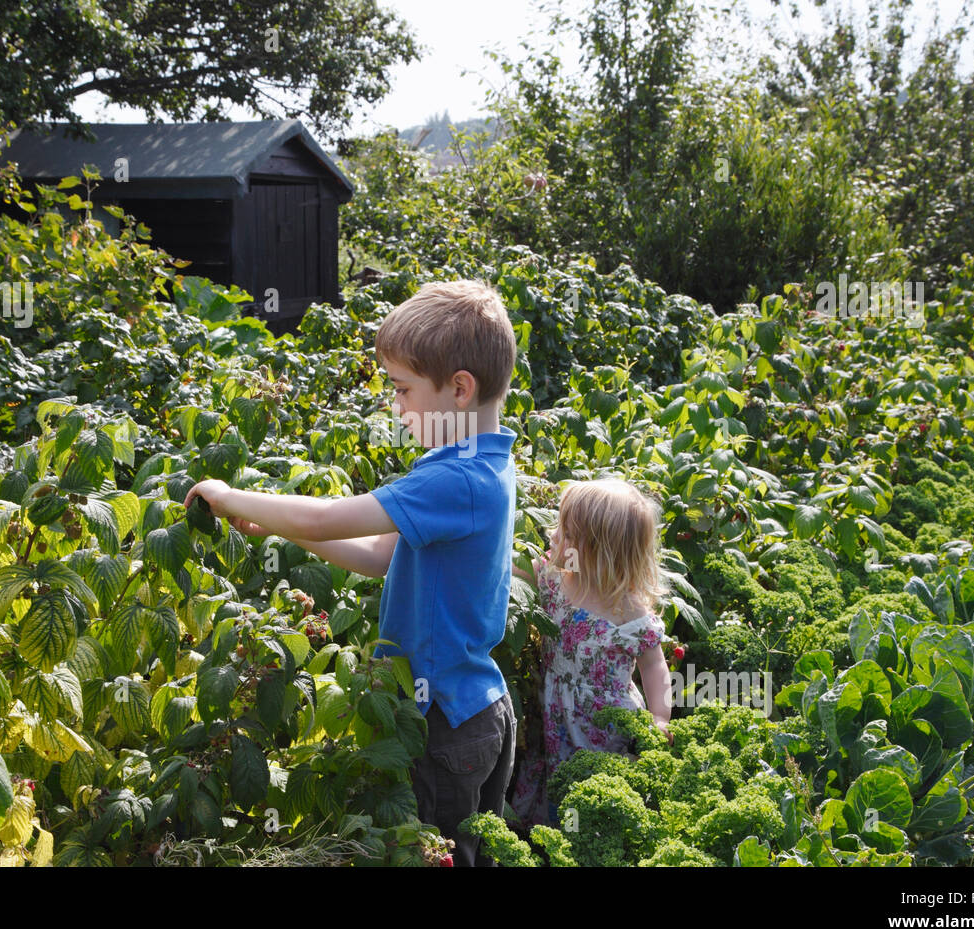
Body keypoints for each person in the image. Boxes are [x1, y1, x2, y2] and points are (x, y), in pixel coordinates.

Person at [184, 279, 519, 867]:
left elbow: (328, 519)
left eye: (403, 389)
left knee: (430, 855)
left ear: (460, 389)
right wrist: (281, 527)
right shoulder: (478, 464)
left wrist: (231, 495)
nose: (396, 406)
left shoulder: (455, 480)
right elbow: (377, 555)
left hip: (443, 722)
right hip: (476, 710)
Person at [509, 478, 673, 829]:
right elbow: (507, 573)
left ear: (601, 551)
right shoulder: (552, 576)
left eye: (566, 533)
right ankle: (551, 839)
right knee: (554, 781)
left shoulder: (627, 609)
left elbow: (655, 667)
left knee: (591, 799)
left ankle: (584, 840)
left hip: (602, 726)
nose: (553, 536)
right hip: (554, 714)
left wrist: (660, 717)